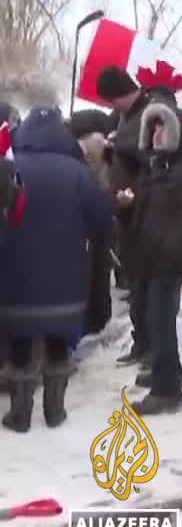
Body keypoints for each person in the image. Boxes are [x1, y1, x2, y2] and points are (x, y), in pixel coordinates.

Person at [0, 107, 111, 432]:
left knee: (20, 343)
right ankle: (54, 410)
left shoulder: (8, 168)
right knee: (57, 342)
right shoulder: (77, 172)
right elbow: (102, 219)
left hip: (14, 273)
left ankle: (19, 414)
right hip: (66, 276)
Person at [121, 98, 182, 415]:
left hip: (166, 261)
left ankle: (167, 388)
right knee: (149, 317)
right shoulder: (157, 166)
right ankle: (165, 368)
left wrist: (173, 256)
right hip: (148, 257)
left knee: (160, 320)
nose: (155, 134)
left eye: (161, 127)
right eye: (152, 127)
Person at [98, 65, 177, 367]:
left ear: (120, 93)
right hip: (128, 213)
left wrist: (121, 146)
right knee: (135, 284)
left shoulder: (151, 113)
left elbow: (154, 156)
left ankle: (153, 350)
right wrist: (111, 151)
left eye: (112, 100)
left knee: (149, 289)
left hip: (147, 211)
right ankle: (141, 341)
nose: (111, 107)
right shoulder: (123, 116)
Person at [68, 109, 117, 336]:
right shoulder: (82, 161)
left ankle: (94, 318)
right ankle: (96, 318)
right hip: (93, 221)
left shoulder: (99, 155)